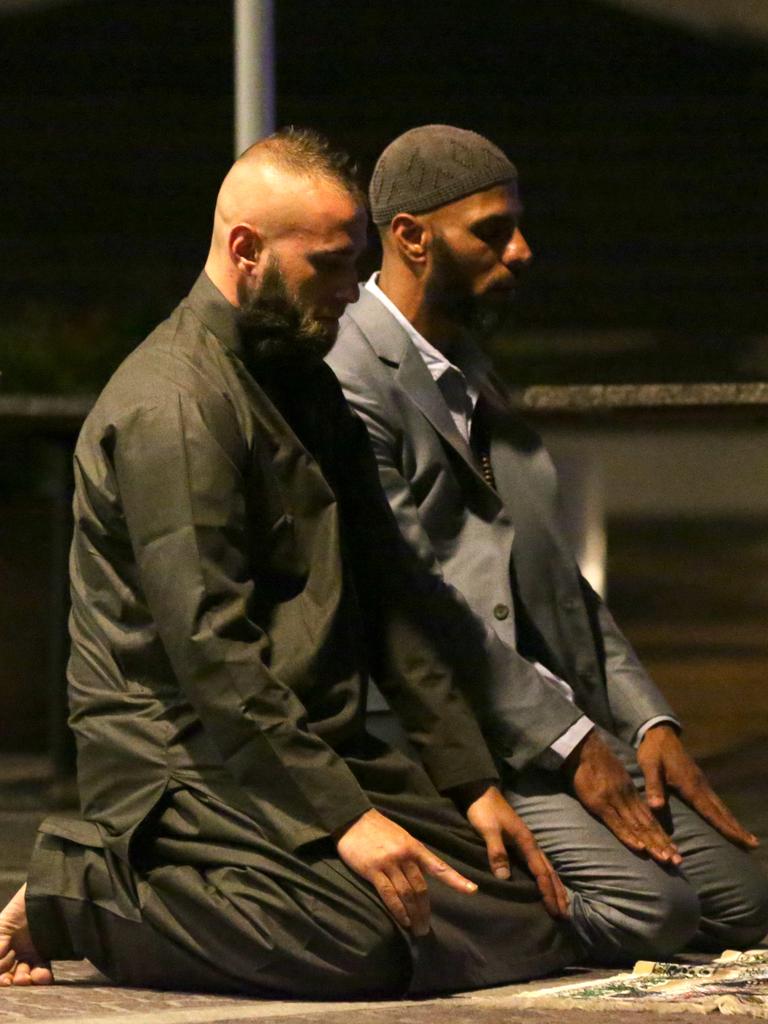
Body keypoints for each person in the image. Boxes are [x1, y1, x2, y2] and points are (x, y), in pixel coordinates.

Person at [0, 129, 576, 996]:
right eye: (332, 267)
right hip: (182, 761)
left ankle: (285, 882)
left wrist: (467, 780)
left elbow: (389, 594)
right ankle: (78, 887)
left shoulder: (298, 373)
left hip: (294, 737)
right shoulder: (177, 407)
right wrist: (346, 819)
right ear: (246, 250)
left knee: (525, 913)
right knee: (365, 943)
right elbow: (211, 654)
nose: (354, 290)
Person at [327, 124, 768, 965]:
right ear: (412, 237)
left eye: (517, 226)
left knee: (742, 901)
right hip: (460, 733)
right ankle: (433, 930)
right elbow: (423, 600)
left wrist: (648, 723)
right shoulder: (353, 376)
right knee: (654, 915)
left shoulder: (466, 361)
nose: (521, 250)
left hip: (555, 716)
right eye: (491, 232)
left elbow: (556, 581)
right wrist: (570, 747)